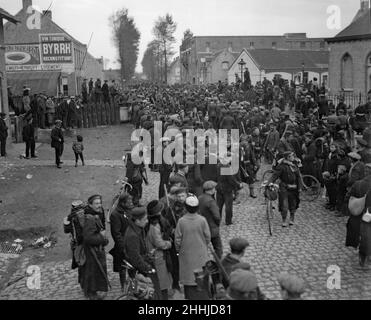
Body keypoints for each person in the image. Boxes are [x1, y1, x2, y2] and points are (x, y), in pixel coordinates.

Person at [175, 195, 211, 300]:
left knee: (189, 282)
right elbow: (208, 237)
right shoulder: (202, 220)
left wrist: (179, 250)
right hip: (201, 254)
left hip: (186, 256)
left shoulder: (181, 221)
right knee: (202, 279)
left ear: (185, 208)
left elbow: (177, 240)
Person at [123, 207, 159, 299]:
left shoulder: (138, 229)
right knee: (143, 296)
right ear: (137, 221)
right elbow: (135, 257)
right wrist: (148, 268)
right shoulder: (132, 235)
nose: (147, 221)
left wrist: (147, 256)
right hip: (138, 272)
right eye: (144, 219)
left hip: (140, 269)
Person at [79, 195, 109, 300]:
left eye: (100, 203)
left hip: (96, 250)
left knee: (95, 272)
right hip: (91, 251)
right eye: (96, 203)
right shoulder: (90, 218)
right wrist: (102, 238)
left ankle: (93, 291)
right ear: (90, 205)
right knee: (92, 272)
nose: (99, 205)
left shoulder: (97, 214)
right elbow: (88, 238)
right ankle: (91, 294)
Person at [146, 200, 173, 300]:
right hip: (158, 257)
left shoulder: (156, 223)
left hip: (160, 256)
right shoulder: (154, 226)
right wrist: (169, 243)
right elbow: (159, 243)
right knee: (162, 284)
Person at [269, 151, 302, 227]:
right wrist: (270, 182)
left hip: (294, 188)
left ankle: (291, 218)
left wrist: (299, 187)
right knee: (284, 205)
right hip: (284, 187)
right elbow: (275, 175)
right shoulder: (281, 166)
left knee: (293, 204)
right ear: (288, 157)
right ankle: (284, 219)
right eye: (291, 156)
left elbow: (299, 177)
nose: (293, 157)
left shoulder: (294, 166)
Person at [109, 194, 134, 291]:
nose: (131, 204)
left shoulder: (130, 210)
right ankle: (123, 286)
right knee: (123, 267)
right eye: (129, 202)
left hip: (132, 244)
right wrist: (123, 247)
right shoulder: (115, 215)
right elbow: (116, 233)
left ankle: (133, 285)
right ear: (123, 203)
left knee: (133, 267)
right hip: (122, 246)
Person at [198, 181, 222, 258]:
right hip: (212, 228)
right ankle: (219, 265)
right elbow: (217, 216)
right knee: (218, 249)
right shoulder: (211, 201)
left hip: (202, 228)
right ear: (211, 190)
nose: (215, 190)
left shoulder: (199, 198)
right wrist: (217, 225)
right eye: (214, 188)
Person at [216, 157, 242, 226]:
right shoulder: (227, 167)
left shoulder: (218, 165)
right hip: (227, 189)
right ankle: (228, 221)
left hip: (219, 188)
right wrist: (238, 185)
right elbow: (231, 179)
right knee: (228, 206)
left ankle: (217, 220)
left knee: (219, 206)